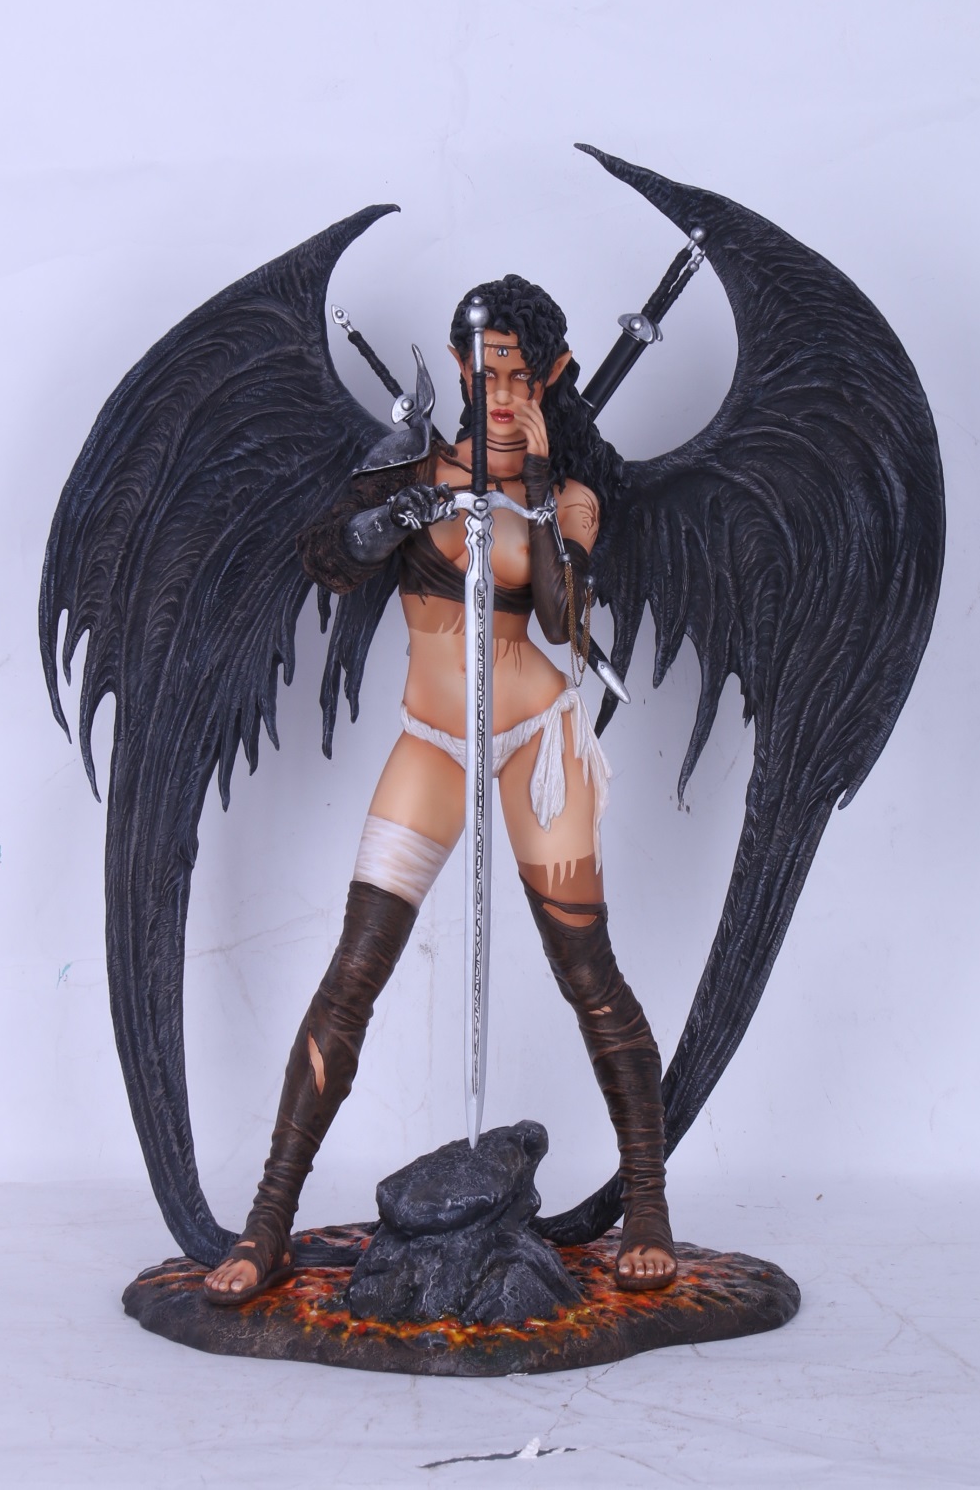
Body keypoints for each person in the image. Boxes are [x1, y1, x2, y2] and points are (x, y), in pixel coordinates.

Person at [203, 275, 677, 1304]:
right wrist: (393, 516)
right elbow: (326, 558)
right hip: (432, 741)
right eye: (487, 372)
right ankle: (269, 1216)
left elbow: (563, 620)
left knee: (585, 969)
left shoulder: (570, 495)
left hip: (536, 740)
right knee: (354, 970)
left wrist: (538, 482)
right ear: (460, 366)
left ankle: (647, 1203)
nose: (501, 394)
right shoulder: (412, 466)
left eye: (522, 377)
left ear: (553, 377)